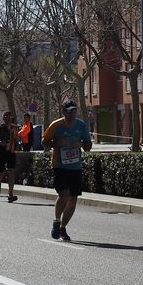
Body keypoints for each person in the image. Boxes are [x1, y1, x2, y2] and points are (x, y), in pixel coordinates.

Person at [43, 99, 92, 242]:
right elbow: (44, 142)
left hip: (75, 166)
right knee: (64, 195)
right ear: (63, 112)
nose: (71, 114)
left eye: (74, 111)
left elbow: (88, 146)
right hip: (59, 165)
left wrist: (81, 144)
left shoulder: (81, 125)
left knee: (73, 198)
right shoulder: (56, 125)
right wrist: (55, 143)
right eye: (68, 111)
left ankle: (63, 227)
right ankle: (56, 221)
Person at [0, 111, 19, 202]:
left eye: (9, 118)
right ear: (3, 118)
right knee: (1, 172)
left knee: (11, 171)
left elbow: (16, 138)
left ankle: (10, 193)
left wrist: (14, 142)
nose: (8, 119)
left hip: (11, 151)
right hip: (2, 151)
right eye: (6, 118)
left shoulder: (15, 127)